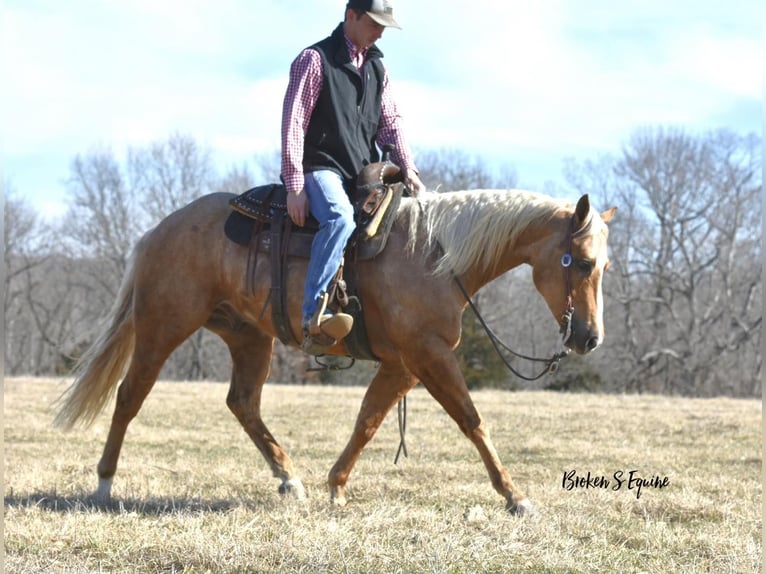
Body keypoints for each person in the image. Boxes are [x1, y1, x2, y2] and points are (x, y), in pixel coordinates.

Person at [281, 0, 426, 353]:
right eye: (374, 23)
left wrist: (409, 170)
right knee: (340, 219)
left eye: (384, 26)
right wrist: (295, 185)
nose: (380, 32)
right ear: (351, 17)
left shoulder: (378, 69)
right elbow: (294, 124)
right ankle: (313, 316)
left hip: (362, 174)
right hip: (321, 167)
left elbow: (391, 124)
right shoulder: (315, 60)